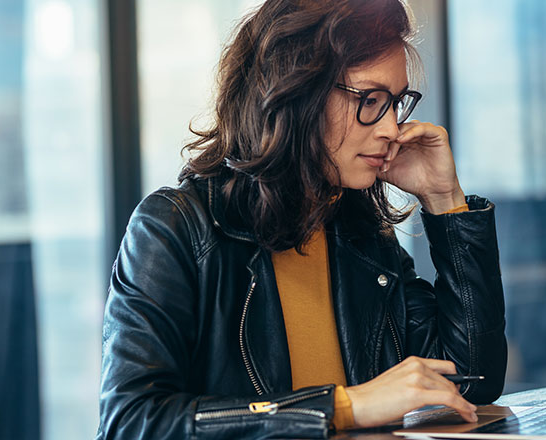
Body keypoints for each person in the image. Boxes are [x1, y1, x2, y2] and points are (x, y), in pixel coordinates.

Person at [97, 0, 507, 438]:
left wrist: (445, 200)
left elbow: (472, 380)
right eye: (370, 100)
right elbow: (131, 420)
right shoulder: (174, 228)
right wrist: (344, 405)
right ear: (297, 91)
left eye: (395, 103)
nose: (390, 128)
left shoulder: (360, 234)